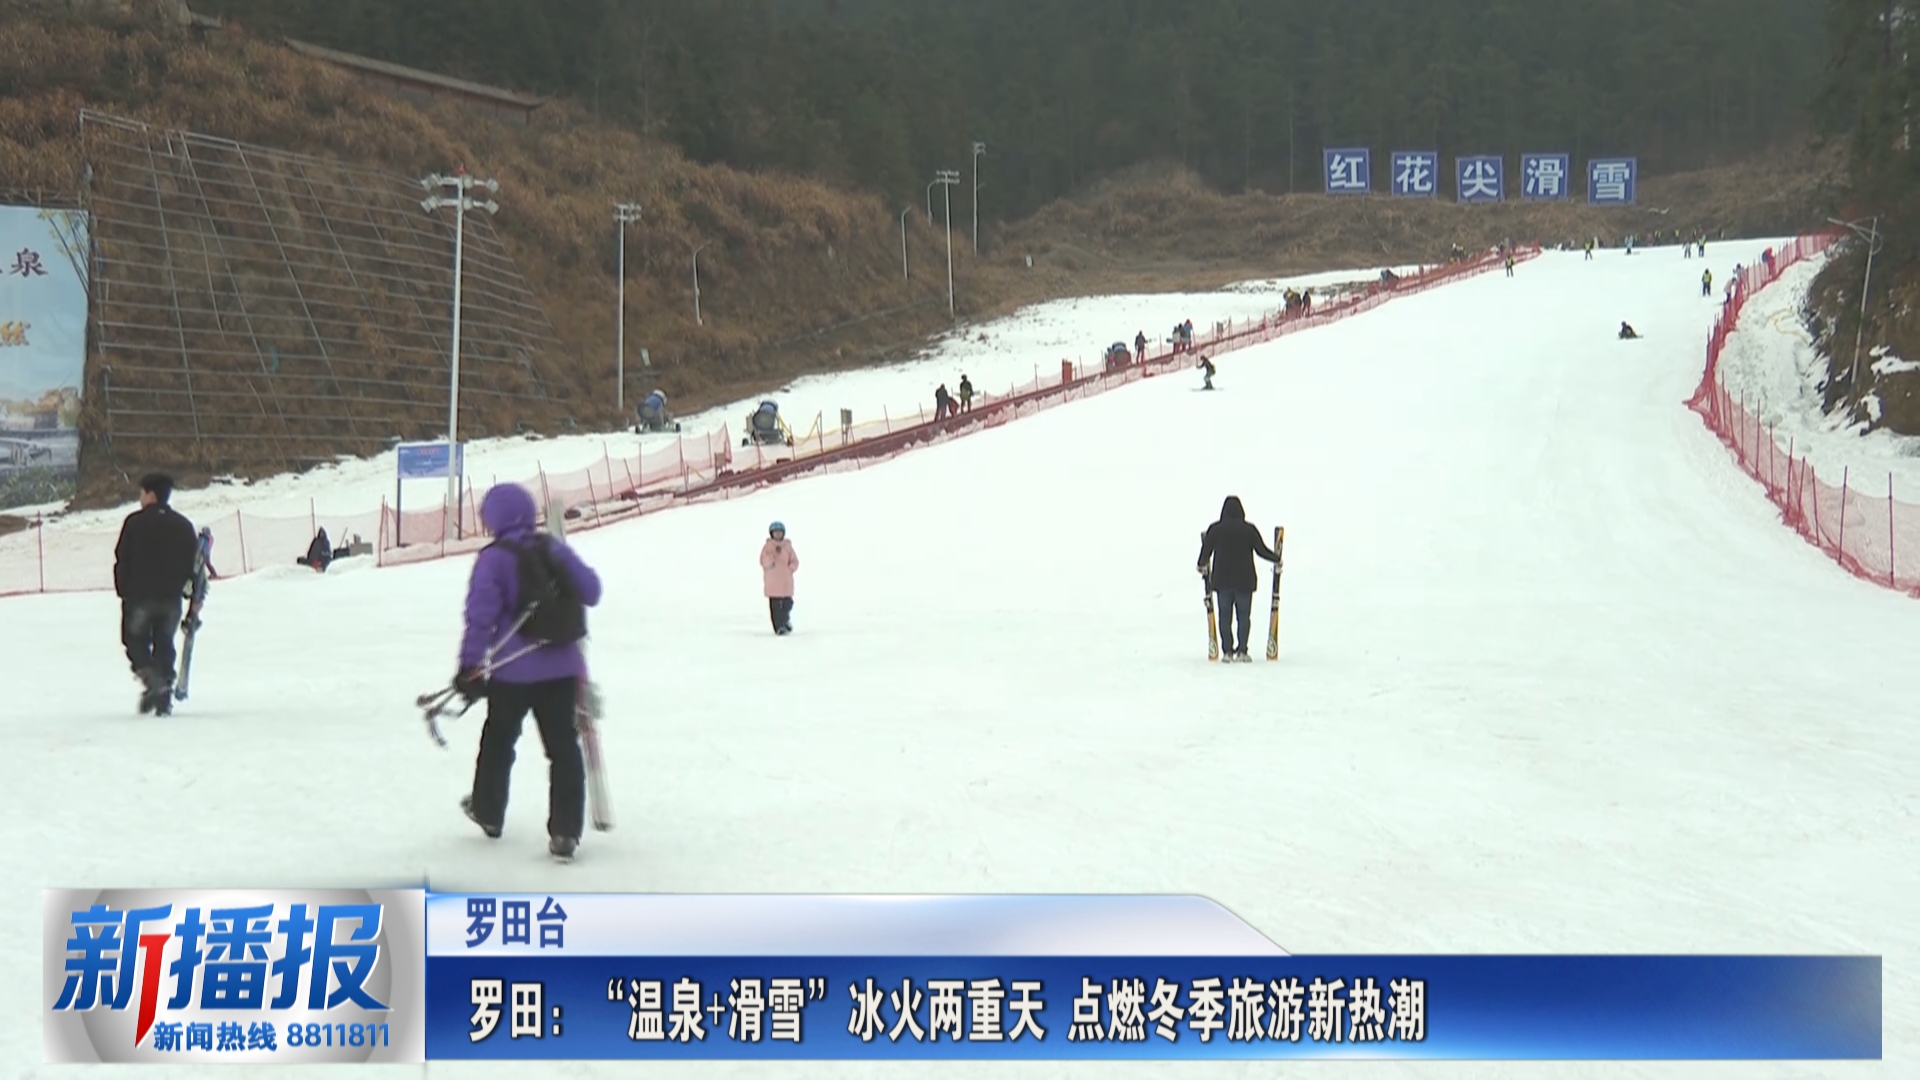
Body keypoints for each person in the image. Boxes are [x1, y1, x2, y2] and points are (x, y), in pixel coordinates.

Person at [456, 483, 603, 862]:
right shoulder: (551, 547)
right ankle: (565, 832)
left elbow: (480, 618)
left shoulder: (494, 559)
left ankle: (488, 811)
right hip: (563, 669)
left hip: (512, 673)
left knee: (499, 740)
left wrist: (469, 667)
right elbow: (591, 590)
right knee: (563, 749)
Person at [113, 473, 200, 715]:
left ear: (151, 494)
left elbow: (122, 558)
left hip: (139, 596)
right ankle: (163, 696)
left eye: (141, 493)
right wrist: (190, 593)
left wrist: (123, 590)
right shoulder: (184, 525)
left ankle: (153, 681)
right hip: (171, 599)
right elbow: (193, 564)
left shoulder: (134, 523)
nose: (140, 498)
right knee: (164, 643)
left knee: (134, 640)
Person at [1197, 496, 1279, 663]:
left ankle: (1227, 651)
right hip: (1245, 581)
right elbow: (1261, 550)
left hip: (1222, 581)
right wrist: (1276, 559)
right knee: (1243, 617)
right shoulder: (1249, 530)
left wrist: (1201, 564)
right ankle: (1242, 650)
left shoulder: (1215, 529)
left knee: (1224, 617)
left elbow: (1205, 553)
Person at [760, 521, 799, 635]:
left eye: (780, 532)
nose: (778, 535)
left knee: (788, 603)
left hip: (786, 581)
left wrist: (790, 569)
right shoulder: (768, 547)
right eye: (775, 532)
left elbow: (795, 561)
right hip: (772, 582)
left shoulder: (788, 547)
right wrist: (771, 560)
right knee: (775, 607)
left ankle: (785, 621)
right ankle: (779, 627)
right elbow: (763, 560)